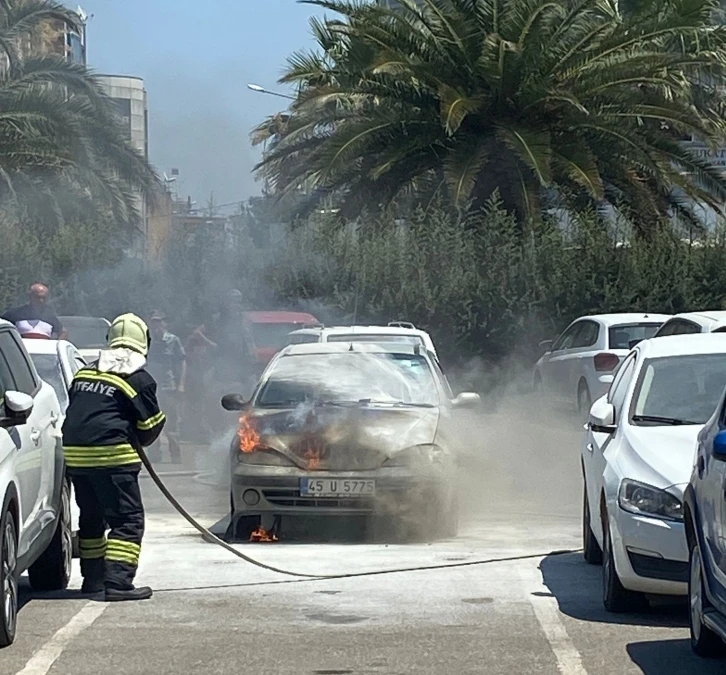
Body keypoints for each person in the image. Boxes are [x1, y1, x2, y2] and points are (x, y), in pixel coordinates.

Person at [62, 313, 165, 601]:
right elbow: (150, 427)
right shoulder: (139, 378)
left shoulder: (85, 372)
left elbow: (84, 411)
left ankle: (93, 580)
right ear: (143, 341)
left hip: (76, 458)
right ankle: (118, 582)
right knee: (128, 520)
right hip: (113, 457)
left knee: (92, 519)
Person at [145, 311, 186, 464]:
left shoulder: (173, 340)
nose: (156, 325)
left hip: (169, 387)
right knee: (151, 421)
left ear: (164, 323)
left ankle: (175, 455)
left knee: (171, 423)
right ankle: (155, 456)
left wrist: (181, 384)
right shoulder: (147, 341)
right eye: (153, 321)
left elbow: (181, 362)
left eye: (159, 321)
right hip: (151, 388)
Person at [1, 282, 66, 339]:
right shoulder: (15, 314)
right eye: (38, 297)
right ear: (30, 296)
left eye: (44, 298)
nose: (41, 301)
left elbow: (63, 332)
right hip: (20, 351)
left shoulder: (50, 317)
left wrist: (56, 345)